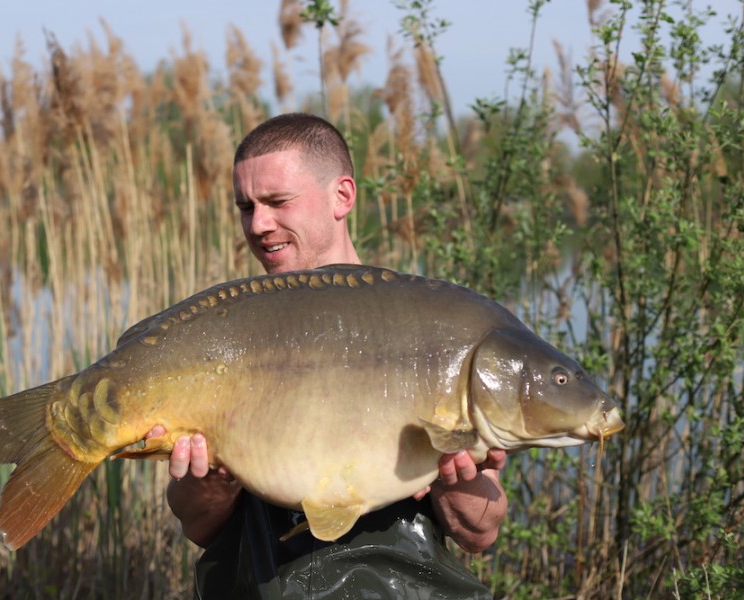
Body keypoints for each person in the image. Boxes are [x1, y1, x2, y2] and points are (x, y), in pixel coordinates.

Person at [153, 113, 508, 599]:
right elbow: (200, 526)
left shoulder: (423, 326)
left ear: (342, 196)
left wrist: (455, 482)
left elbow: (480, 532)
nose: (258, 224)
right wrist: (210, 480)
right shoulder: (227, 335)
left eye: (277, 202)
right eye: (245, 206)